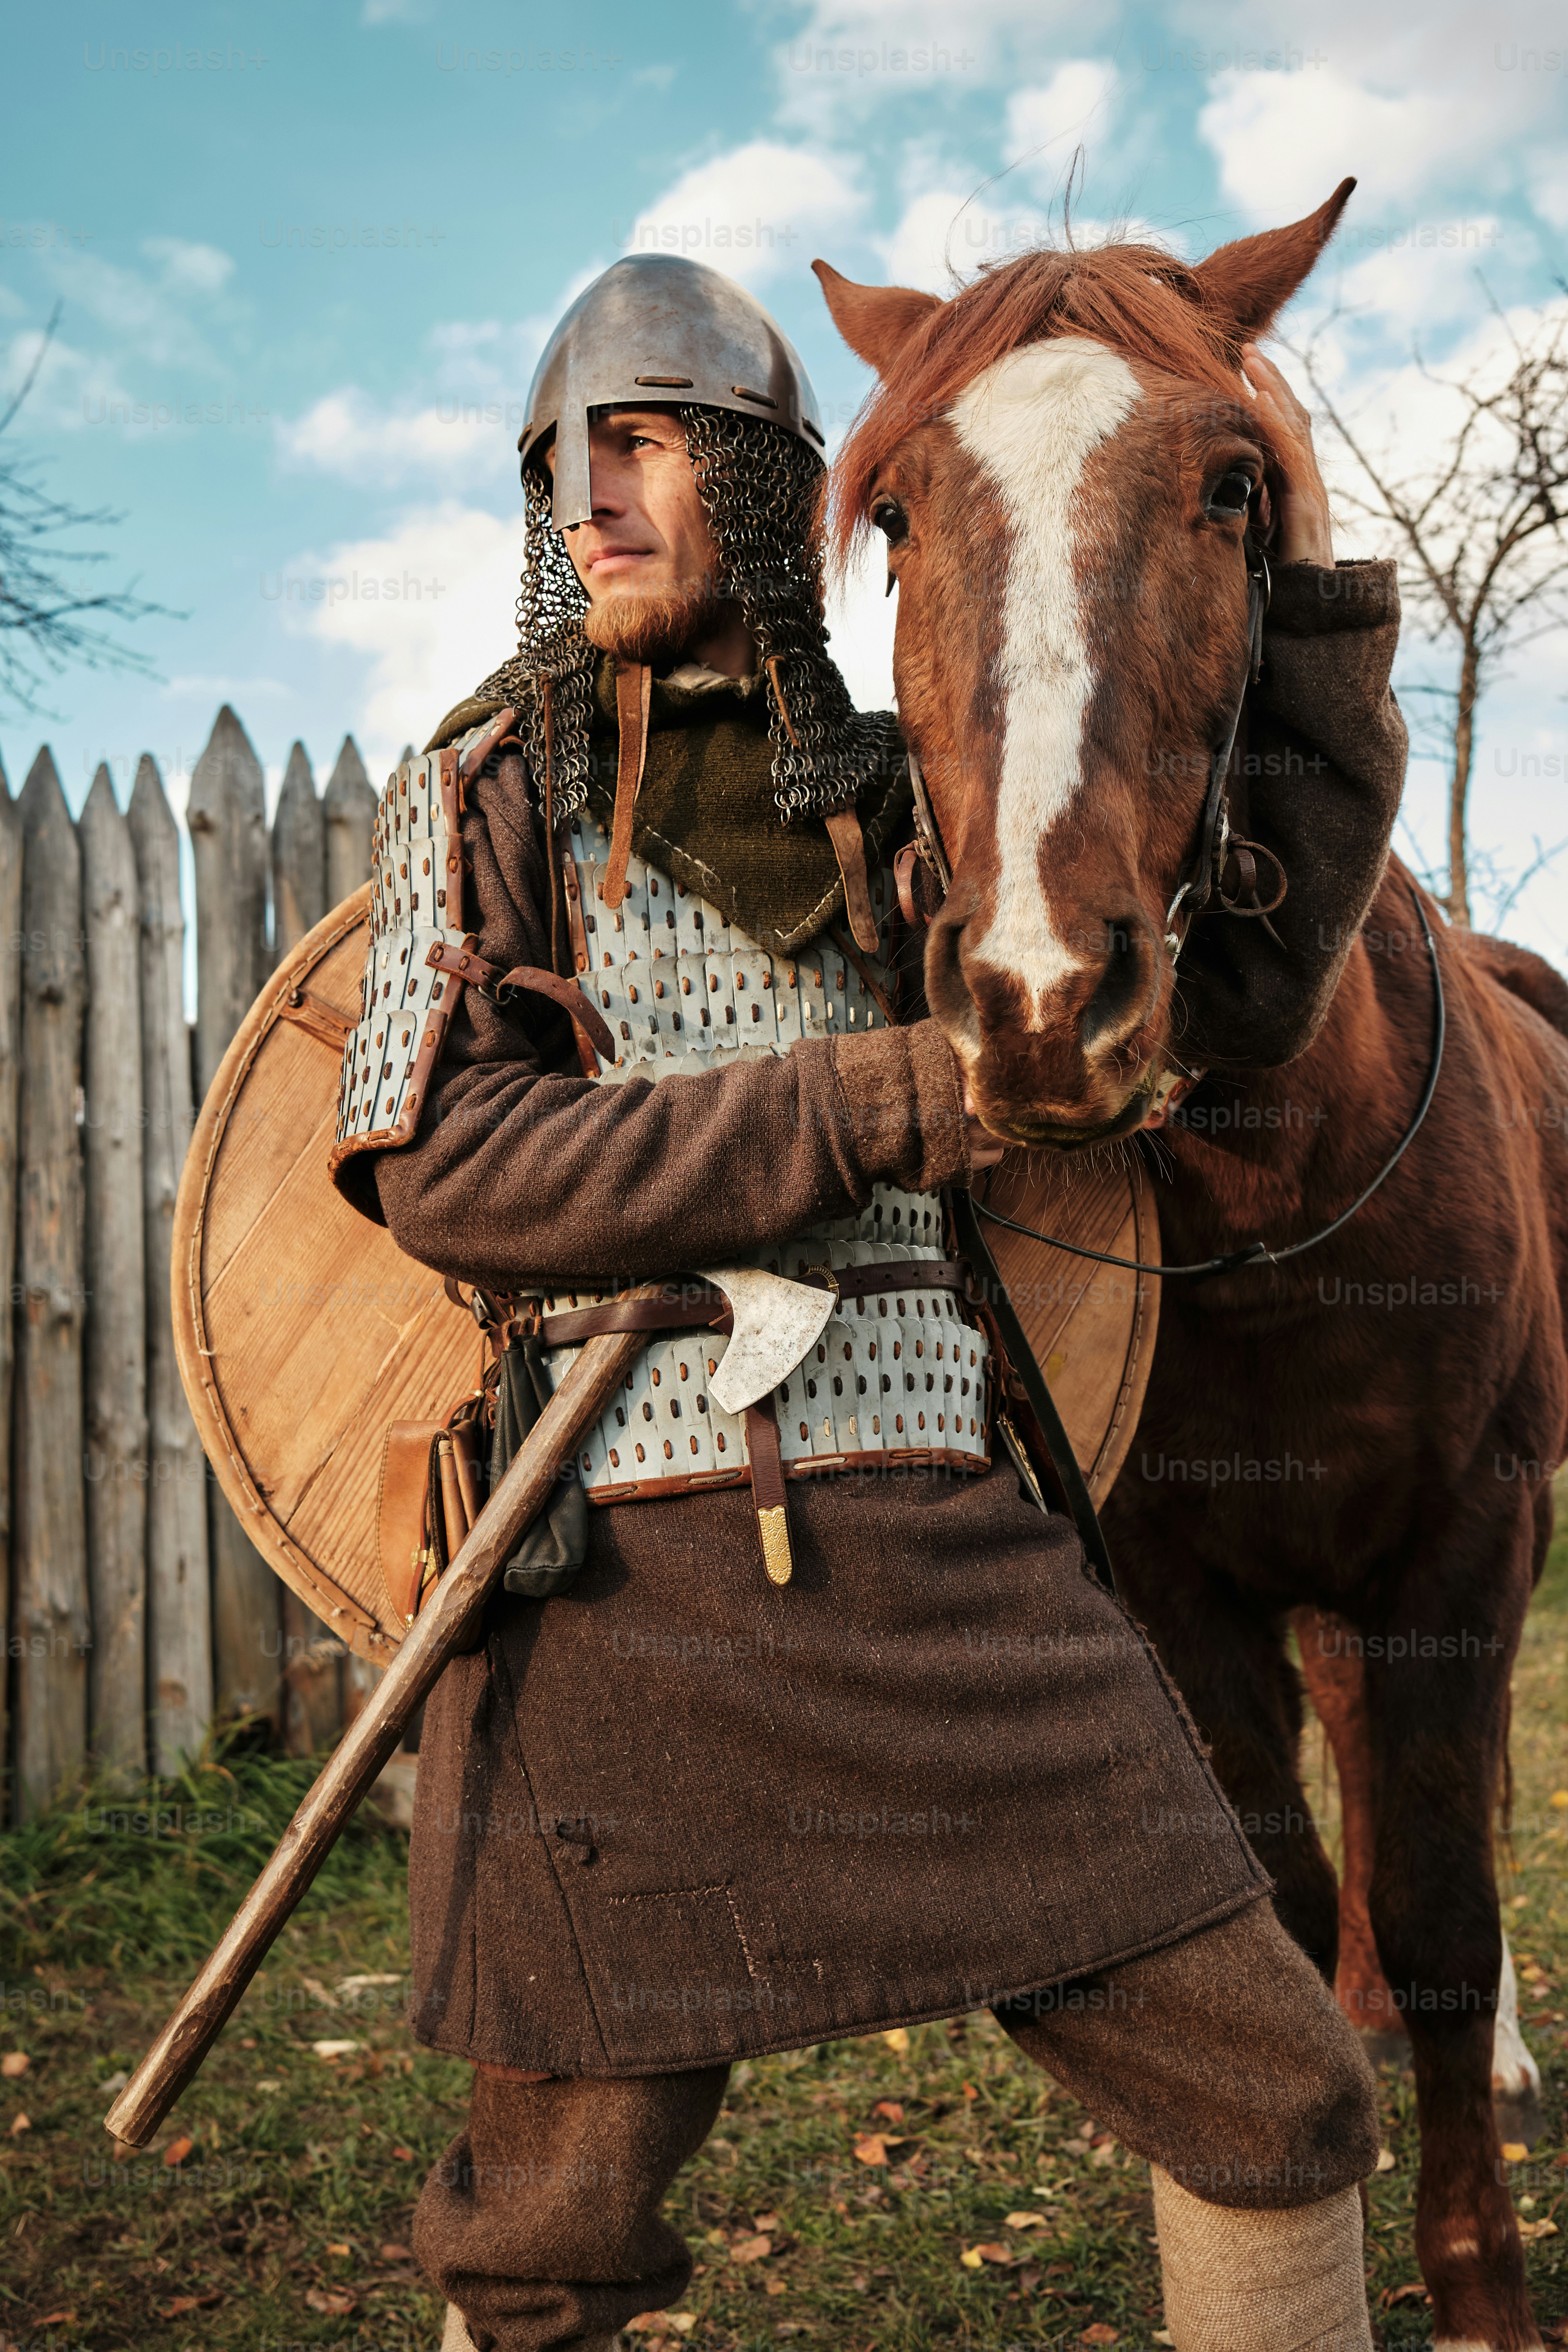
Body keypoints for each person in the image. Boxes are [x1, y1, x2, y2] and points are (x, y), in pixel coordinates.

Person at [331, 254, 1407, 2352]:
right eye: (565, 455)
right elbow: (446, 1172)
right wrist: (862, 1098)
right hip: (609, 1597)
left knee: (1282, 2091)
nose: (597, 492)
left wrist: (1309, 624)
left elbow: (1242, 1002)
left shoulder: (926, 800)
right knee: (539, 2239)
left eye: (648, 439)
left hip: (941, 1555)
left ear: (765, 480)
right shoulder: (479, 793)